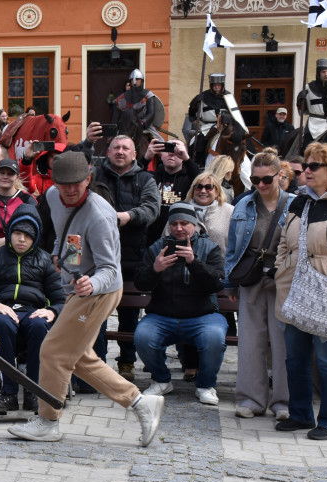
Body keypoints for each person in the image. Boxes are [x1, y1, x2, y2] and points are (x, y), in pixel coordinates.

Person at [8, 151, 164, 445]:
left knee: (53, 351)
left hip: (100, 292)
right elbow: (66, 234)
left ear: (89, 179)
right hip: (77, 288)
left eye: (76, 184)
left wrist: (91, 283)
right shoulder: (53, 196)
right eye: (63, 183)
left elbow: (111, 271)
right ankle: (141, 403)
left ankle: (47, 421)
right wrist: (59, 255)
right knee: (77, 357)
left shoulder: (100, 215)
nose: (69, 190)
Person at [273, 143, 327, 441]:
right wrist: (281, 268)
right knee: (294, 357)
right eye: (305, 166)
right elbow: (285, 239)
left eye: (313, 166)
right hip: (295, 292)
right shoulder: (299, 202)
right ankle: (300, 414)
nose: (305, 171)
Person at [134, 202, 228, 405]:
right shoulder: (158, 247)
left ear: (194, 224)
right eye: (174, 223)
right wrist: (155, 269)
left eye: (184, 223)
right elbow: (141, 283)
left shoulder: (209, 248)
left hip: (202, 315)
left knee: (215, 337)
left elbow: (216, 284)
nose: (178, 228)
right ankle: (161, 380)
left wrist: (194, 263)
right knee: (142, 335)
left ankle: (205, 385)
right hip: (162, 315)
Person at [224, 149, 293, 420]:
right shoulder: (244, 204)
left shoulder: (296, 204)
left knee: (282, 343)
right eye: (255, 180)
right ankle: (251, 400)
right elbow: (233, 248)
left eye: (267, 179)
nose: (261, 185)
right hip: (251, 278)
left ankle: (283, 402)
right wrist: (229, 283)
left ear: (280, 176)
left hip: (283, 280)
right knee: (250, 342)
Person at [0, 203, 62, 414]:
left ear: (35, 238)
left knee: (40, 325)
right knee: (0, 323)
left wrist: (52, 311)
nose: (22, 239)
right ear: (10, 232)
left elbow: (60, 299)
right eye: (17, 233)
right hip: (5, 314)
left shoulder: (44, 261)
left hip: (33, 313)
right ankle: (9, 393)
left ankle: (34, 393)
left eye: (28, 235)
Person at [92, 134, 160, 381]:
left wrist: (128, 216)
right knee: (96, 313)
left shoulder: (145, 179)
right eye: (116, 147)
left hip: (132, 259)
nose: (120, 151)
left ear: (134, 154)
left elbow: (152, 208)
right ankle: (96, 364)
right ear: (108, 152)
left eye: (125, 148)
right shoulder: (96, 176)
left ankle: (127, 362)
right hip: (98, 259)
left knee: (128, 316)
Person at [141, 137, 200, 245]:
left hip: (179, 238)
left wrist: (187, 159)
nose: (171, 154)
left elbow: (199, 180)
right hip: (150, 238)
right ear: (161, 154)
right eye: (168, 149)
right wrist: (146, 157)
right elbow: (134, 177)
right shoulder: (151, 177)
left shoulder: (190, 179)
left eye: (176, 150)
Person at [0, 158, 37, 250]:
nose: (5, 176)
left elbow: (34, 229)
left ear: (17, 177)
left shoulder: (28, 200)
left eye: (10, 174)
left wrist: (7, 240)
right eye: (2, 173)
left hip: (21, 257)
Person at [184, 73, 237, 159]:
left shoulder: (229, 97)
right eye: (215, 86)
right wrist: (195, 103)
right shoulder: (204, 96)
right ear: (211, 86)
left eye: (219, 86)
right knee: (200, 139)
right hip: (207, 126)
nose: (217, 88)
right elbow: (193, 113)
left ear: (222, 86)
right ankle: (199, 161)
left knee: (239, 138)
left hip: (226, 126)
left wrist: (227, 118)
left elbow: (235, 114)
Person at [297, 59, 327, 144]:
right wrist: (300, 99)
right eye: (323, 72)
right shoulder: (308, 88)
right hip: (314, 124)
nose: (326, 74)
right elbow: (303, 110)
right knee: (306, 145)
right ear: (318, 73)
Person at [112, 68, 158, 137]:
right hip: (124, 127)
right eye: (132, 80)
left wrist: (142, 122)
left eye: (137, 79)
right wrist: (112, 133)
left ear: (141, 81)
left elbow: (151, 113)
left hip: (143, 126)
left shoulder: (148, 96)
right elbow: (115, 117)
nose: (134, 82)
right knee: (111, 145)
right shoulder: (120, 99)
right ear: (130, 82)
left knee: (160, 143)